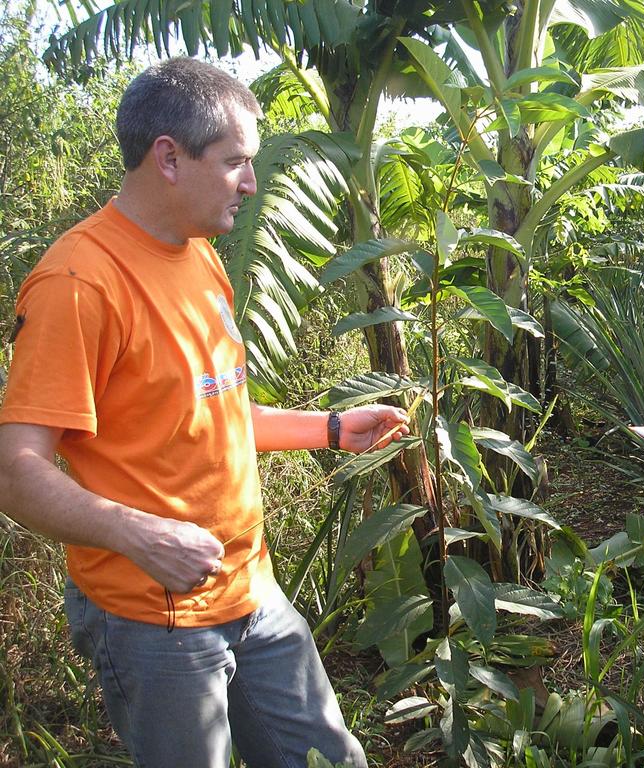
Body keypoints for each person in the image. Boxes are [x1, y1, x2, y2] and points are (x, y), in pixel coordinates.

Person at [0, 57, 409, 768]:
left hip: (254, 593)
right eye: (235, 162)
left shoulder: (199, 255)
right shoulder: (79, 281)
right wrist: (138, 534)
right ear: (167, 157)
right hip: (155, 621)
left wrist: (333, 429)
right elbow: (15, 471)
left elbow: (211, 409)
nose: (252, 183)